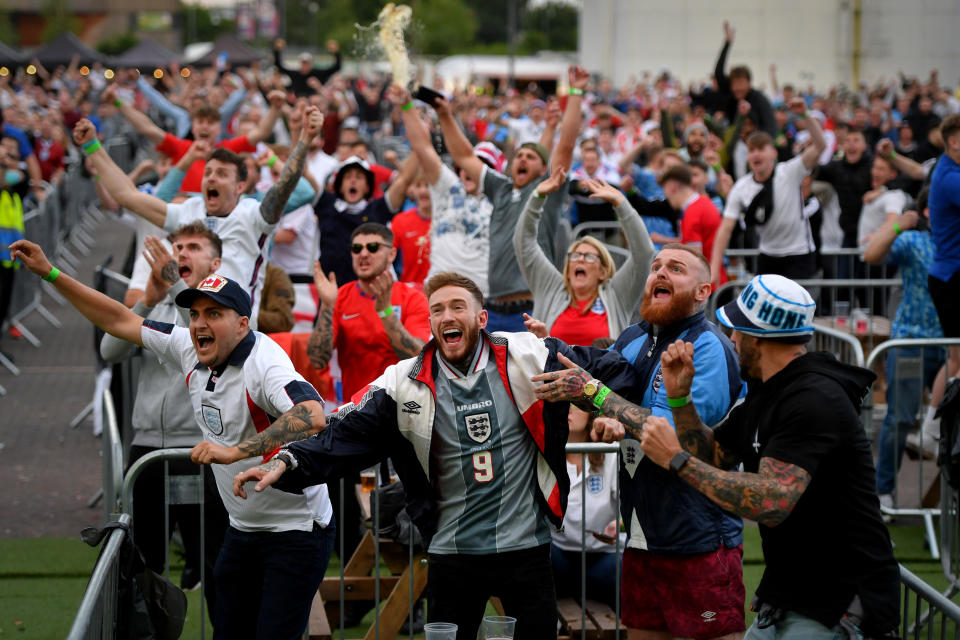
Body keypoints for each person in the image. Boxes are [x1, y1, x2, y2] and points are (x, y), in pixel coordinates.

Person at [235, 271, 639, 640]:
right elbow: (343, 432)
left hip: (526, 549)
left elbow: (614, 371)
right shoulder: (402, 382)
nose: (447, 316)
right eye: (438, 309)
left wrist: (598, 399)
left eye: (458, 307)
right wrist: (286, 461)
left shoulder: (530, 355)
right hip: (451, 554)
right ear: (429, 322)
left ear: (481, 319)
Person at [10, 242, 336, 640]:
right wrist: (50, 273)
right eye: (195, 313)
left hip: (297, 529)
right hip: (244, 527)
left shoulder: (264, 361)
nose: (199, 323)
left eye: (214, 313)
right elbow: (116, 319)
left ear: (242, 324)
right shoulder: (187, 345)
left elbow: (313, 415)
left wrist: (236, 451)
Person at [637, 274, 900, 638]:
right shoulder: (769, 392)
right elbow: (715, 456)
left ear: (759, 338)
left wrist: (676, 460)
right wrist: (681, 400)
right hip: (790, 597)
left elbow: (772, 501)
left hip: (838, 604)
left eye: (738, 331)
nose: (731, 340)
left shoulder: (813, 398)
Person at [532, 244, 747, 640]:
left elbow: (670, 436)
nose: (660, 273)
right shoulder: (633, 337)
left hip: (696, 539)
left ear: (703, 291)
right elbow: (604, 392)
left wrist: (600, 401)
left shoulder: (708, 347)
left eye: (676, 268)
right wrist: (600, 416)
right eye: (656, 267)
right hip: (641, 537)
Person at [74, 106, 325, 329]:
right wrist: (92, 147)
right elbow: (127, 196)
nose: (212, 178)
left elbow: (287, 184)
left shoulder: (254, 215)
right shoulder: (188, 210)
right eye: (208, 173)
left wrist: (304, 139)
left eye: (222, 174)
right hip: (188, 332)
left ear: (239, 186)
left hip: (237, 336)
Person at [99, 225, 230, 612]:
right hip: (146, 450)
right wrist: (147, 300)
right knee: (145, 563)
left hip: (199, 450)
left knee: (211, 561)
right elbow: (110, 350)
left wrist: (174, 287)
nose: (181, 255)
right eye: (177, 248)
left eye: (193, 248)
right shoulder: (157, 305)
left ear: (215, 263)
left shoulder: (225, 312)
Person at [435, 66, 589, 332]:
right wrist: (445, 115)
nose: (523, 159)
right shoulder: (502, 188)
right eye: (519, 155)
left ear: (543, 170)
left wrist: (575, 93)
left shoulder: (547, 191)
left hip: (532, 309)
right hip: (492, 309)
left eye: (530, 158)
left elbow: (566, 144)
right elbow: (463, 157)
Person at [863, 189, 945, 502]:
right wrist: (900, 224)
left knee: (950, 429)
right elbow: (870, 255)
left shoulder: (954, 245)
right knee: (899, 420)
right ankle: (883, 491)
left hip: (952, 348)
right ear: (927, 211)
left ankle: (941, 504)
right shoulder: (914, 241)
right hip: (912, 342)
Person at [515, 168, 653, 346]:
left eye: (589, 257)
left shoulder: (616, 294)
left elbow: (644, 254)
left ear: (603, 271)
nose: (580, 259)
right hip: (552, 373)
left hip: (601, 374)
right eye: (575, 255)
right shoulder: (551, 287)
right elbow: (524, 244)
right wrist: (537, 197)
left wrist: (621, 204)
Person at [307, 222, 432, 405]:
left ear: (392, 254)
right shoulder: (339, 297)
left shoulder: (413, 298)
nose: (364, 254)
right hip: (355, 410)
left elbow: (416, 358)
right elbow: (317, 360)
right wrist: (326, 305)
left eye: (373, 247)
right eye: (357, 248)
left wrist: (386, 312)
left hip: (401, 408)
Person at [391, 84, 497, 296]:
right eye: (466, 167)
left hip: (483, 299)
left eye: (479, 166)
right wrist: (407, 106)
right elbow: (422, 147)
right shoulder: (448, 188)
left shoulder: (501, 199)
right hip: (439, 294)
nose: (469, 171)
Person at [710, 98, 827, 283]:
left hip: (799, 255)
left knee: (798, 311)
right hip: (767, 257)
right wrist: (714, 268)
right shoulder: (742, 187)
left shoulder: (790, 171)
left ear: (773, 153)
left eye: (761, 149)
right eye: (751, 150)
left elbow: (821, 146)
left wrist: (805, 115)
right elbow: (725, 229)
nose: (756, 154)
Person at [100, 83, 285, 195]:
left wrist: (276, 108)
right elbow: (147, 128)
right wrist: (118, 103)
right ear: (193, 127)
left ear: (219, 128)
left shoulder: (228, 148)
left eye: (210, 122)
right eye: (200, 122)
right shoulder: (182, 147)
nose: (205, 126)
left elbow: (260, 133)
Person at [551, 403, 622, 611]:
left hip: (602, 556)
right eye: (564, 404)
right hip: (560, 555)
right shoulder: (547, 453)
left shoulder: (608, 451)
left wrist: (618, 524)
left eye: (577, 405)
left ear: (591, 414)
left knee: (626, 570)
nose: (568, 410)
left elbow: (628, 508)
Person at [314, 153, 417, 286]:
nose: (353, 181)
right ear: (339, 185)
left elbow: (405, 180)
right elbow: (302, 174)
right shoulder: (326, 205)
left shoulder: (379, 209)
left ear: (368, 186)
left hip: (373, 296)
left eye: (359, 177)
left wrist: (420, 143)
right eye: (348, 177)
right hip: (332, 296)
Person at [927, 113, 960, 382]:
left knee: (957, 359)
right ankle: (934, 424)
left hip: (949, 274)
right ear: (954, 141)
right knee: (957, 360)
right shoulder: (950, 177)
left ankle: (935, 424)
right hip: (951, 276)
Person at [659, 164, 728, 286]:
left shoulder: (692, 212)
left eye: (665, 190)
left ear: (672, 186)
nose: (667, 198)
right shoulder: (703, 202)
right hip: (713, 281)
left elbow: (693, 260)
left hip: (705, 286)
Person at [713, 21, 778, 137]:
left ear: (749, 83)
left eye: (741, 83)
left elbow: (771, 127)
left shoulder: (760, 100)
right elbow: (718, 73)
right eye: (735, 84)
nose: (738, 88)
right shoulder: (730, 96)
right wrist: (727, 43)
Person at [273, 38, 342, 97]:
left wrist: (336, 53)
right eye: (303, 63)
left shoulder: (318, 74)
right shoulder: (295, 74)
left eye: (307, 63)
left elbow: (336, 67)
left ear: (311, 64)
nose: (305, 65)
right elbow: (279, 66)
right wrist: (277, 51)